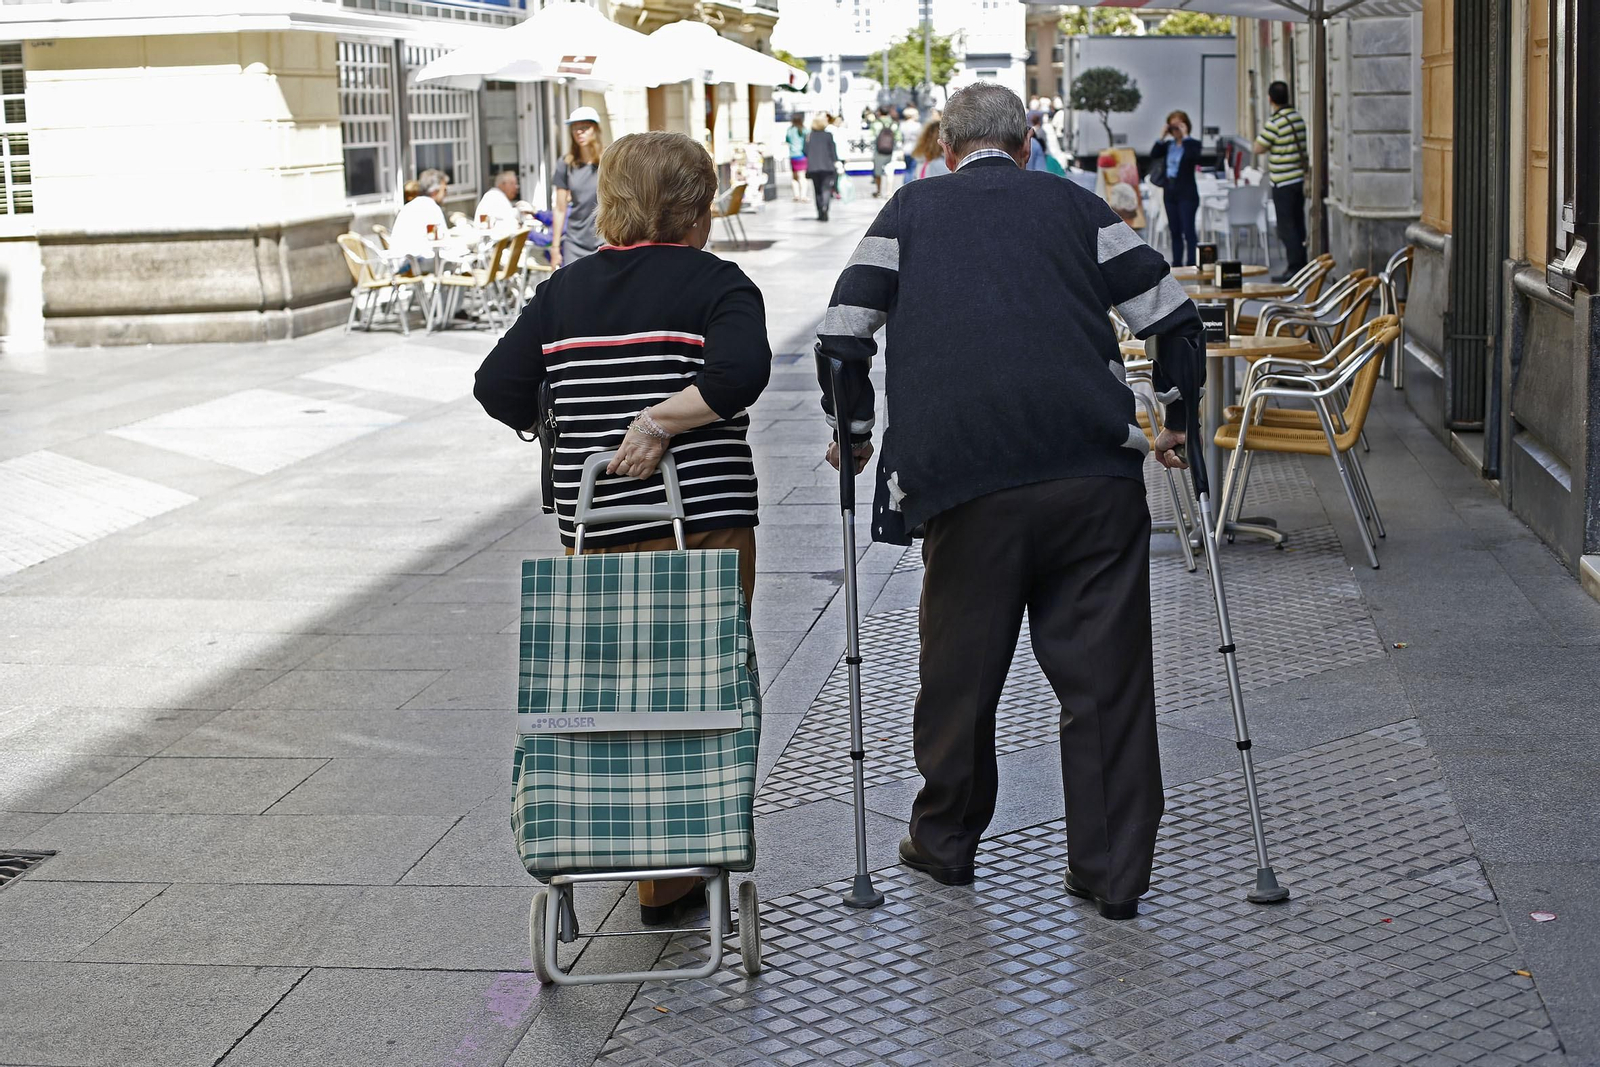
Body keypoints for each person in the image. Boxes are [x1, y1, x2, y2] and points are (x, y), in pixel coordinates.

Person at [814, 82, 1202, 921]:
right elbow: (1172, 315)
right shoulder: (1075, 205)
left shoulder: (909, 214)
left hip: (965, 483)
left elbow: (844, 331)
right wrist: (1176, 419)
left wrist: (853, 430)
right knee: (1107, 680)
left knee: (959, 670)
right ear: (1025, 146)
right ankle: (1111, 872)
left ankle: (946, 842)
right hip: (1090, 473)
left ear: (945, 150)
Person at [474, 131, 772, 926]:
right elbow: (739, 373)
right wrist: (662, 420)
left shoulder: (562, 295)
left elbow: (497, 386)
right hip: (703, 529)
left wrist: (581, 420)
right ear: (694, 210)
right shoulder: (719, 284)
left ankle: (634, 859)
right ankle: (676, 876)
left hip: (595, 532)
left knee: (615, 699)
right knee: (700, 693)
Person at [1253, 81, 1309, 281]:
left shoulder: (1275, 122)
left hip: (1282, 182)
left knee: (1287, 226)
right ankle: (1302, 264)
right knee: (1298, 223)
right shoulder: (1297, 118)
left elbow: (1258, 147)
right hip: (1298, 180)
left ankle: (1295, 268)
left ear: (1270, 99)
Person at [551, 105, 604, 268]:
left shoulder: (608, 161)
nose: (579, 132)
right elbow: (560, 209)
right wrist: (555, 247)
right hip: (574, 241)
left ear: (595, 129)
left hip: (603, 239)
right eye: (575, 128)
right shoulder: (565, 164)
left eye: (584, 128)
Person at [1151, 110, 1202, 266]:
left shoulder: (1192, 144)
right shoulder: (1168, 146)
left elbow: (1194, 157)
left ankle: (1193, 262)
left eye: (1178, 126)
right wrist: (1162, 135)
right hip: (1170, 192)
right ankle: (1177, 262)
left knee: (1188, 230)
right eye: (1173, 127)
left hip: (1187, 193)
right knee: (1175, 230)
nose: (1176, 131)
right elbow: (1153, 154)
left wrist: (1185, 136)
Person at [388, 168, 450, 269]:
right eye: (445, 190)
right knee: (458, 261)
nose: (446, 194)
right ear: (435, 191)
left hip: (399, 264)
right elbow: (443, 242)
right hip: (414, 265)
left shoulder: (408, 207)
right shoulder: (431, 208)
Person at [805, 114, 840, 220]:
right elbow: (832, 150)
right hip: (827, 166)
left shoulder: (809, 135)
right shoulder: (828, 135)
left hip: (814, 167)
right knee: (826, 188)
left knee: (817, 189)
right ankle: (825, 207)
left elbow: (805, 150)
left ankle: (820, 210)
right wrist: (835, 161)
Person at [870, 106, 900, 197]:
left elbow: (872, 137)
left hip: (878, 150)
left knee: (878, 171)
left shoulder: (875, 124)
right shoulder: (894, 123)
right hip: (891, 150)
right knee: (890, 172)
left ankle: (879, 191)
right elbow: (898, 137)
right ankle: (889, 191)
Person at [785, 113, 809, 201]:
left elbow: (787, 140)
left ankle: (796, 195)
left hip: (792, 156)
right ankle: (803, 195)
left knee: (794, 177)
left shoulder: (789, 130)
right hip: (802, 155)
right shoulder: (804, 129)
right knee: (802, 177)